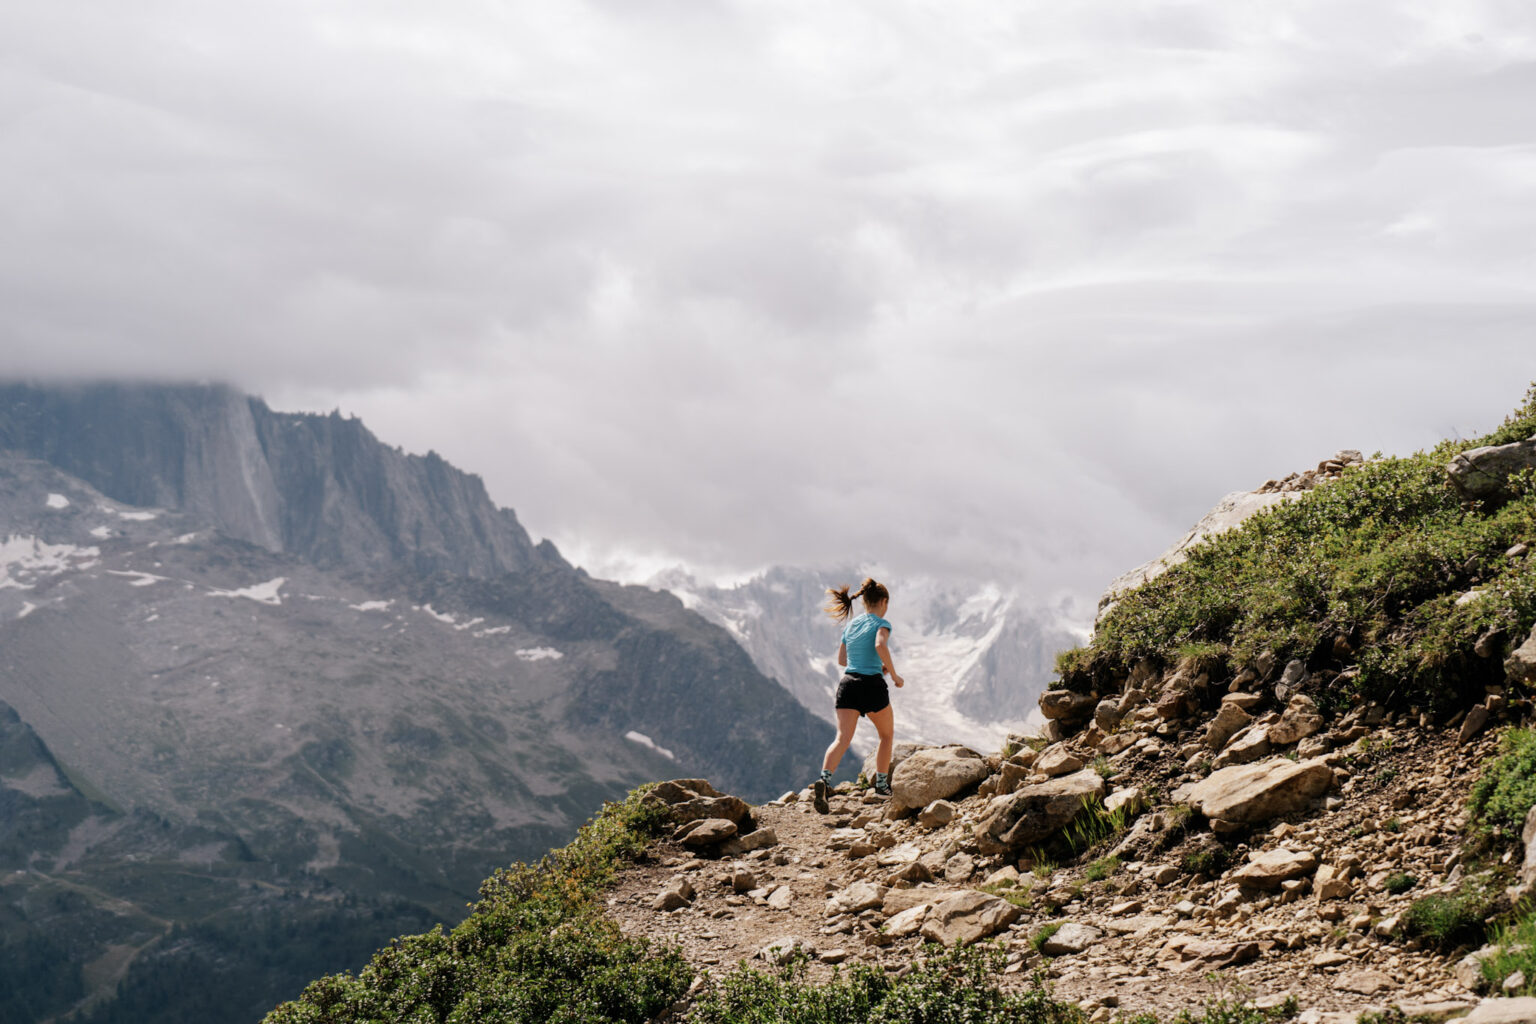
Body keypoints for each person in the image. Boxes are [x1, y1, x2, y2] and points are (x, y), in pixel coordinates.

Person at [812, 577, 904, 813]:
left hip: (848, 684)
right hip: (872, 685)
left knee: (842, 738)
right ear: (883, 602)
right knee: (886, 735)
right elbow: (880, 646)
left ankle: (824, 781)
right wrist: (892, 674)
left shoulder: (851, 625)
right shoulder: (882, 624)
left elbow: (842, 660)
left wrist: (873, 664)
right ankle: (882, 787)